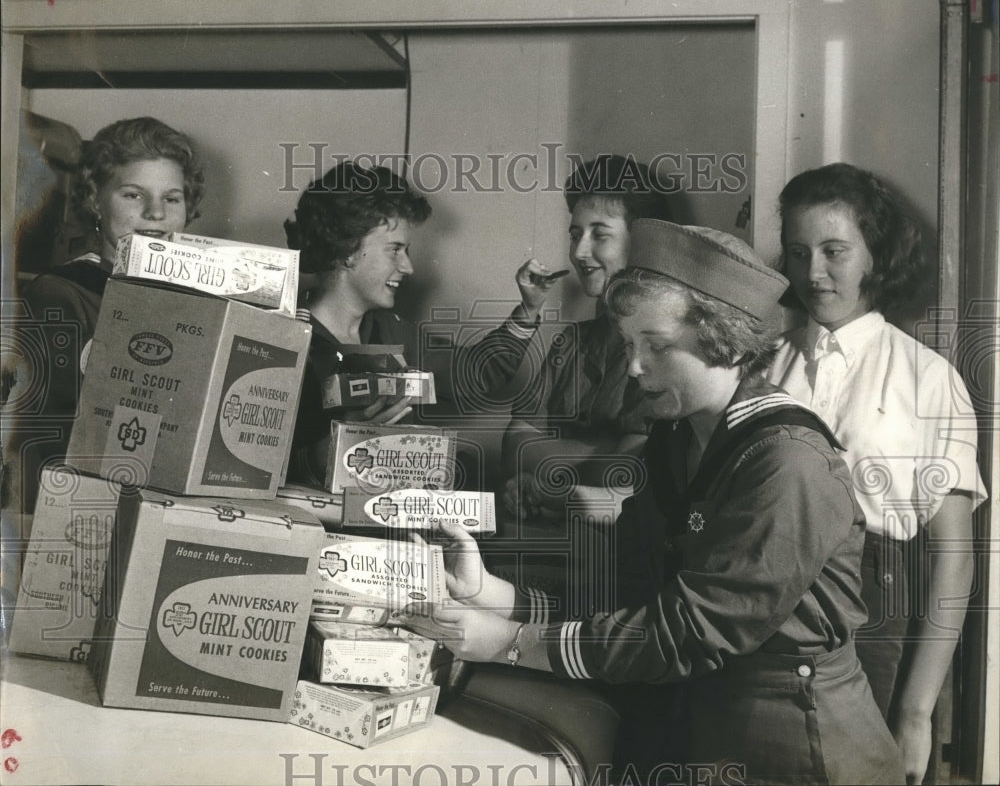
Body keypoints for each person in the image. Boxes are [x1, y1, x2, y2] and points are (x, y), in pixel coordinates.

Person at [405, 218, 905, 785]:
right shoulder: (675, 440)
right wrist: (497, 597)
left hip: (797, 739)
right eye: (627, 345)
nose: (635, 367)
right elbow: (631, 590)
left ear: (726, 338)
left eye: (658, 347)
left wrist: (513, 644)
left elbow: (686, 629)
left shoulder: (788, 461)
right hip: (702, 720)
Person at [767, 162, 987, 784]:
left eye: (835, 251)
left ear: (874, 257)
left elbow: (954, 557)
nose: (814, 272)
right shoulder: (764, 370)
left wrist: (916, 714)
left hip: (873, 609)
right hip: (762, 602)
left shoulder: (927, 377)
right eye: (799, 252)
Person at [285, 160, 540, 488]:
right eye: (395, 250)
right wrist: (330, 449)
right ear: (347, 252)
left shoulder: (392, 332)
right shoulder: (280, 331)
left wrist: (530, 308)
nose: (408, 267)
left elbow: (479, 372)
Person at [15, 116, 203, 511]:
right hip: (77, 504)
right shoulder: (60, 294)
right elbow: (45, 435)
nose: (156, 213)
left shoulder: (200, 304)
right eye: (133, 195)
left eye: (172, 198)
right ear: (94, 200)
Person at [496, 154, 674, 524]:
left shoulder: (665, 350)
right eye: (576, 234)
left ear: (642, 242)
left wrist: (543, 471)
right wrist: (599, 452)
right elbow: (513, 445)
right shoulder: (570, 342)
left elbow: (627, 471)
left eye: (600, 234)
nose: (579, 252)